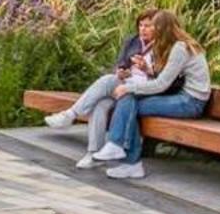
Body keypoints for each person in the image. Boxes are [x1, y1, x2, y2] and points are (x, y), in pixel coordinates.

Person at [91, 10, 210, 180]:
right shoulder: (178, 45)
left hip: (191, 102)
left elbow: (161, 85)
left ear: (163, 28)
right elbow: (163, 77)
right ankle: (122, 153)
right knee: (129, 101)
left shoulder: (180, 48)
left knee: (129, 100)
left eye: (153, 26)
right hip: (184, 97)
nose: (149, 30)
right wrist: (147, 70)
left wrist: (128, 88)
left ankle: (125, 154)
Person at [49, 12, 156, 161]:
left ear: (158, 27)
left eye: (147, 26)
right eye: (140, 25)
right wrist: (120, 71)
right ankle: (94, 154)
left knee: (107, 80)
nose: (142, 29)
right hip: (125, 84)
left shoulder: (164, 46)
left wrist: (147, 70)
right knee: (100, 104)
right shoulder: (132, 40)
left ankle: (71, 114)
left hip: (146, 90)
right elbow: (121, 63)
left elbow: (164, 78)